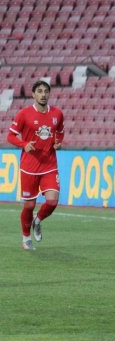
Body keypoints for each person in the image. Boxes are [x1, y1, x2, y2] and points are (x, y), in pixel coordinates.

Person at [6, 79, 65, 250]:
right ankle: (26, 238)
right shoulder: (24, 114)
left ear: (49, 94)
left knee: (52, 201)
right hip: (29, 167)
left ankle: (37, 220)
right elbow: (10, 136)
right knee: (29, 205)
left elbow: (60, 131)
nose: (43, 95)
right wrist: (24, 144)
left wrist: (58, 143)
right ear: (33, 94)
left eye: (46, 91)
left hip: (49, 165)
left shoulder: (57, 114)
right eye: (39, 91)